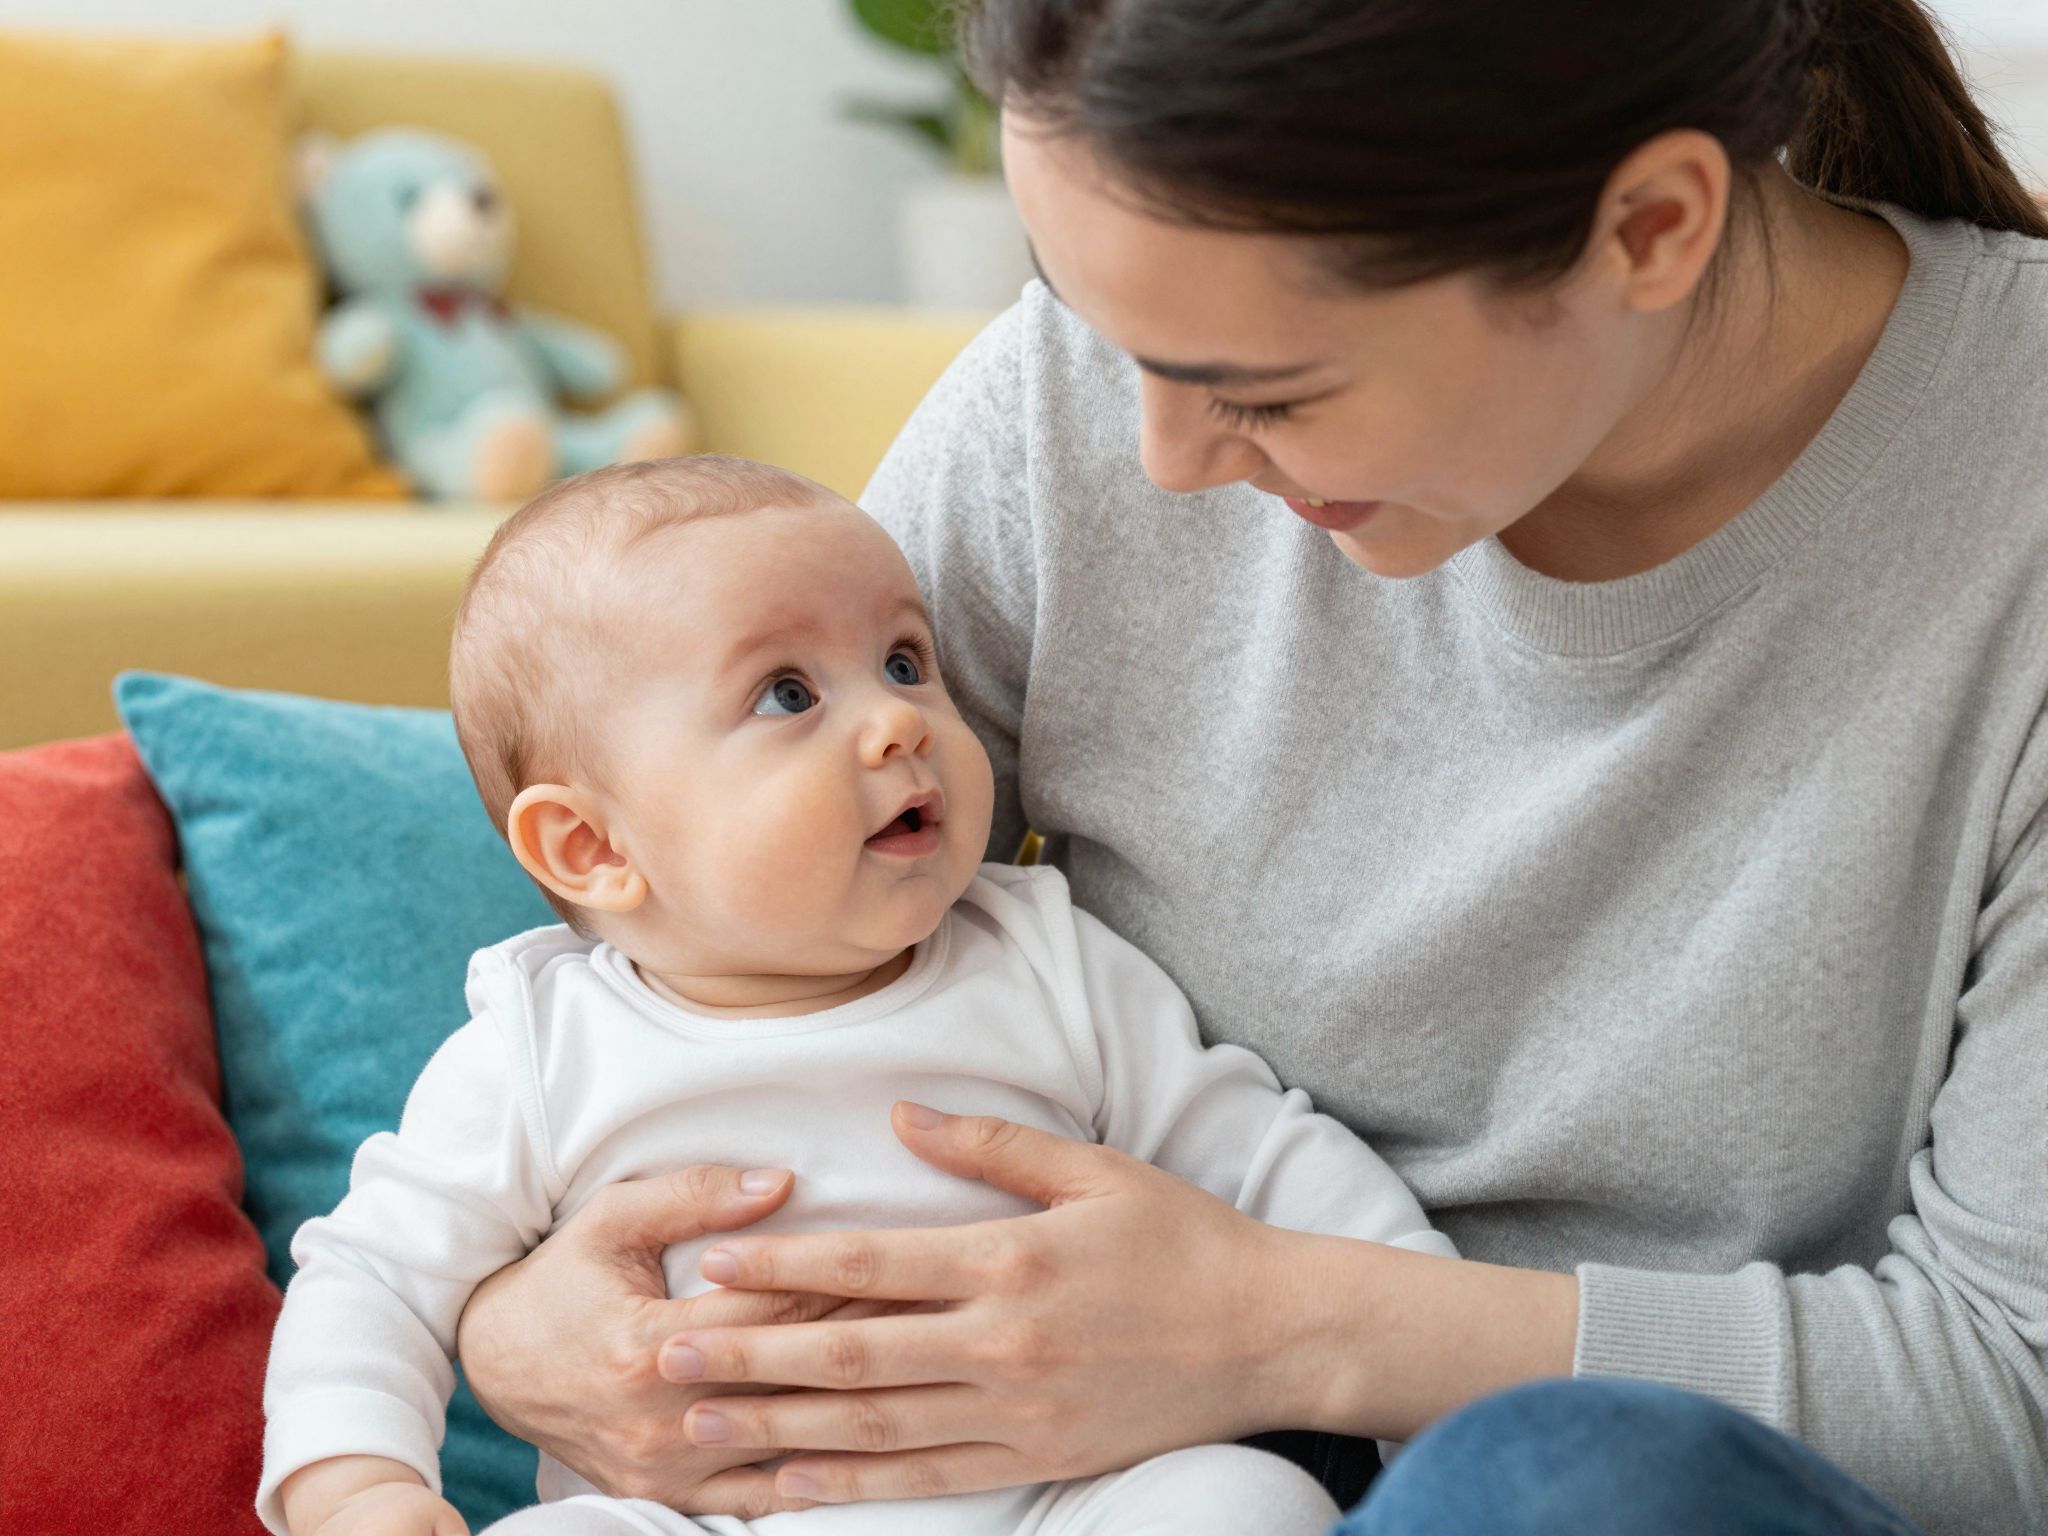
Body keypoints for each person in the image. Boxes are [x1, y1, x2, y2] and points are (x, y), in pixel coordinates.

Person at [449, 2, 2048, 1532]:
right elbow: (665, 896)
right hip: (1074, 1491)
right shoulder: (1075, 412)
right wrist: (512, 1323)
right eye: (1091, 330)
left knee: (1579, 1489)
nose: (1160, 459)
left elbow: (2012, 1401)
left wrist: (1278, 1331)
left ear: (1647, 230)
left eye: (1271, 392)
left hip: (1579, 1494)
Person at [257, 456, 1456, 1536]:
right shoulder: (541, 1046)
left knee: (1247, 1502)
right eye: (787, 694)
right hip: (713, 1520)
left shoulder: (1044, 960)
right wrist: (354, 1485)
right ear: (590, 848)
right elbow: (372, 1279)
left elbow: (1266, 1160)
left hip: (1062, 1504)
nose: (897, 723)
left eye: (903, 660)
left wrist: (1438, 1371)